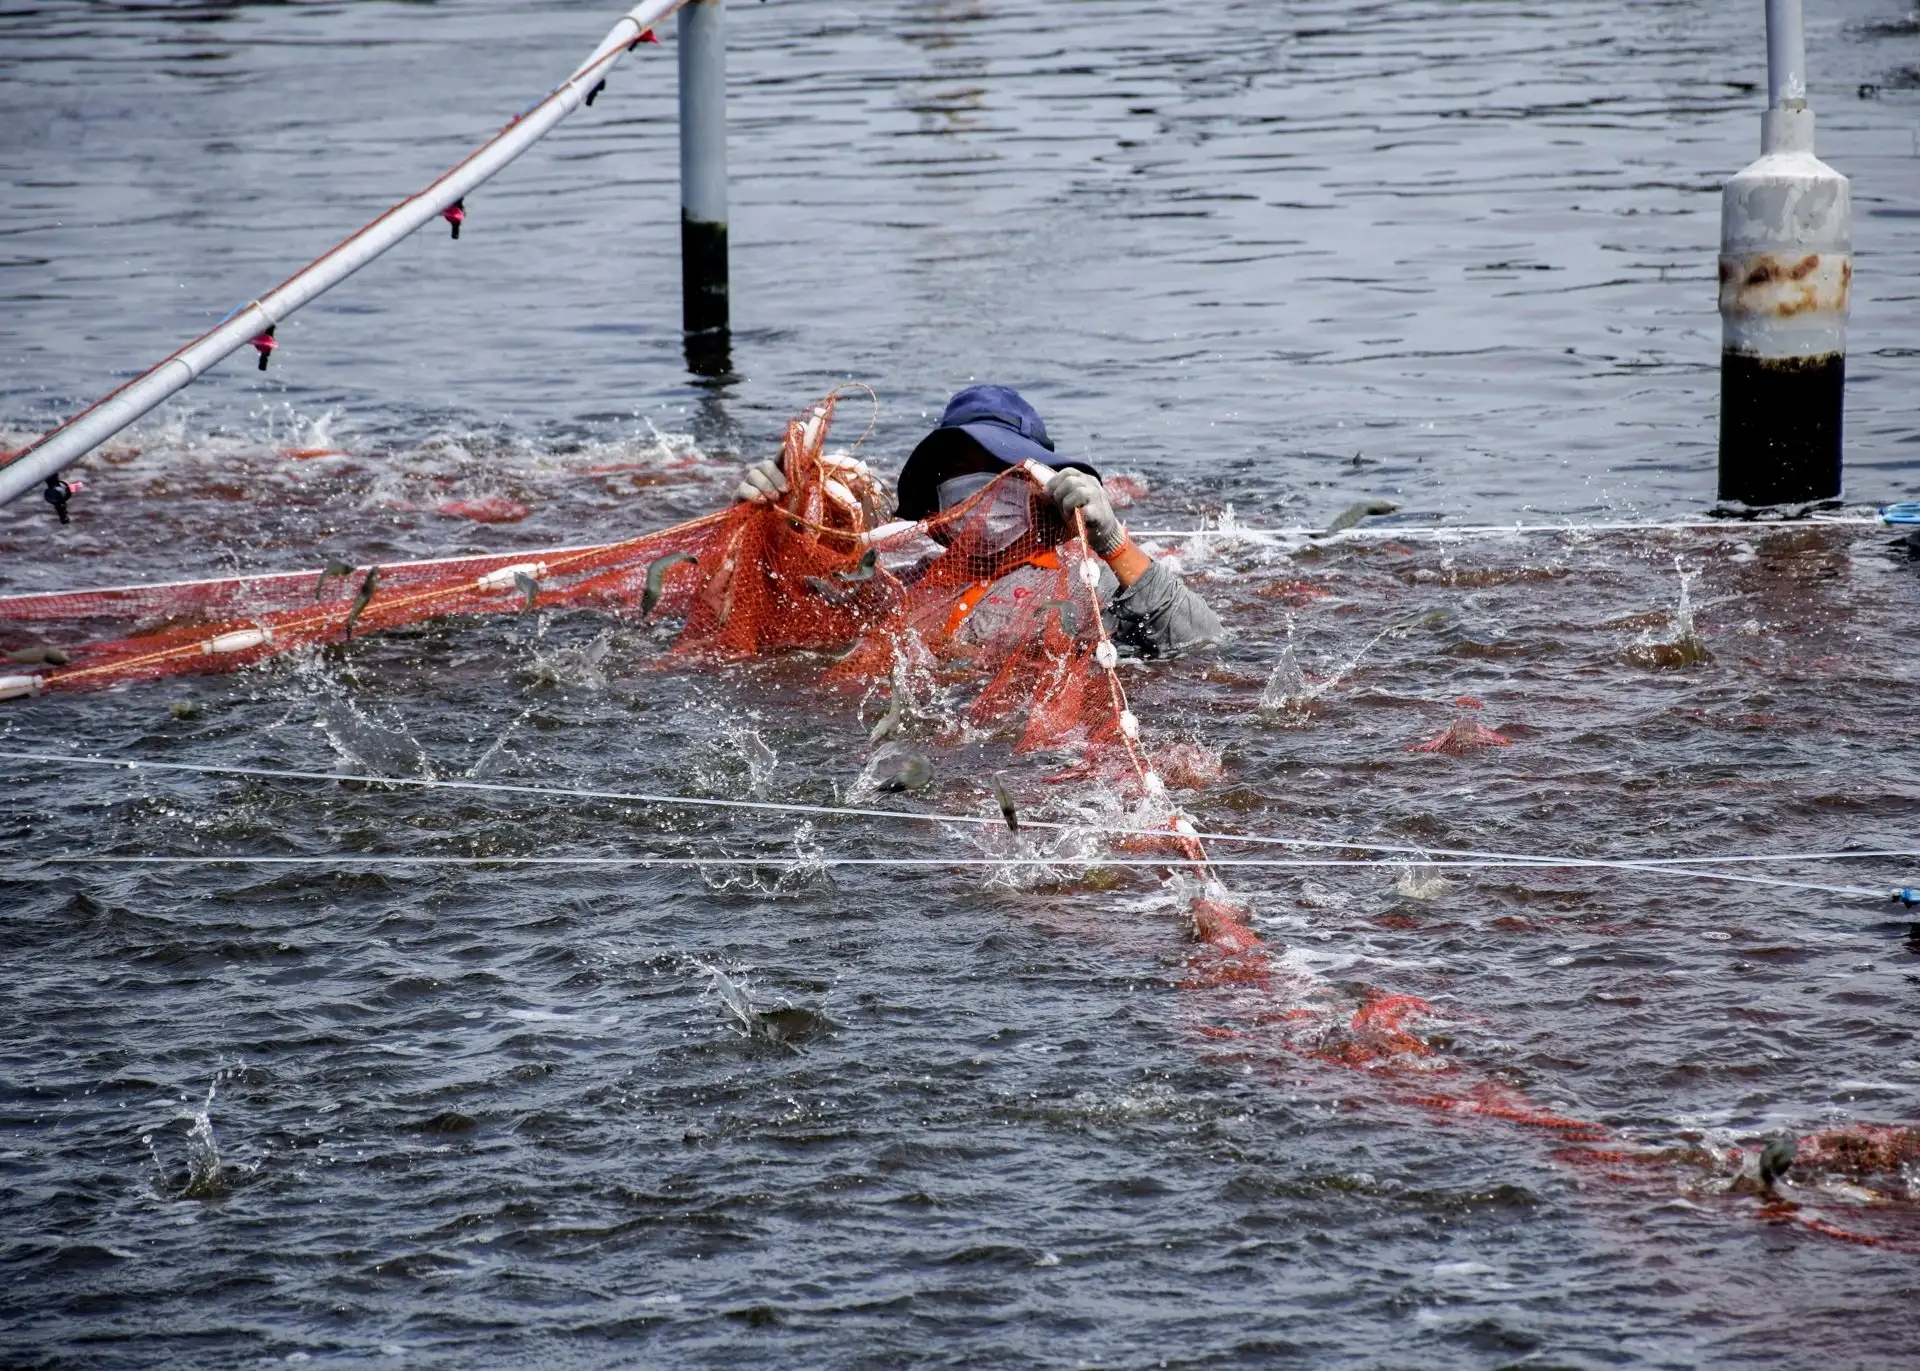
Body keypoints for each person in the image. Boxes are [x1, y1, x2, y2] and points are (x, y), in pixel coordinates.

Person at [734, 385, 1223, 657]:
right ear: (935, 499)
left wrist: (1113, 541)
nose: (979, 487)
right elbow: (785, 625)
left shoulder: (1087, 587)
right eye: (958, 472)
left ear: (1039, 487)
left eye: (997, 469)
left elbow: (1203, 641)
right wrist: (774, 522)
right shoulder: (905, 584)